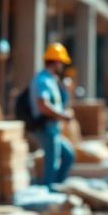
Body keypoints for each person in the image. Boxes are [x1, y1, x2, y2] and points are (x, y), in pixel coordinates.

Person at [29, 43, 76, 186]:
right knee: (51, 164)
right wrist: (62, 116)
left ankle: (56, 186)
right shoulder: (43, 80)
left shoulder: (51, 80)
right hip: (45, 129)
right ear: (56, 62)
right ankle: (48, 192)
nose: (62, 67)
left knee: (67, 156)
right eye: (61, 63)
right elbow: (43, 106)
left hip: (53, 129)